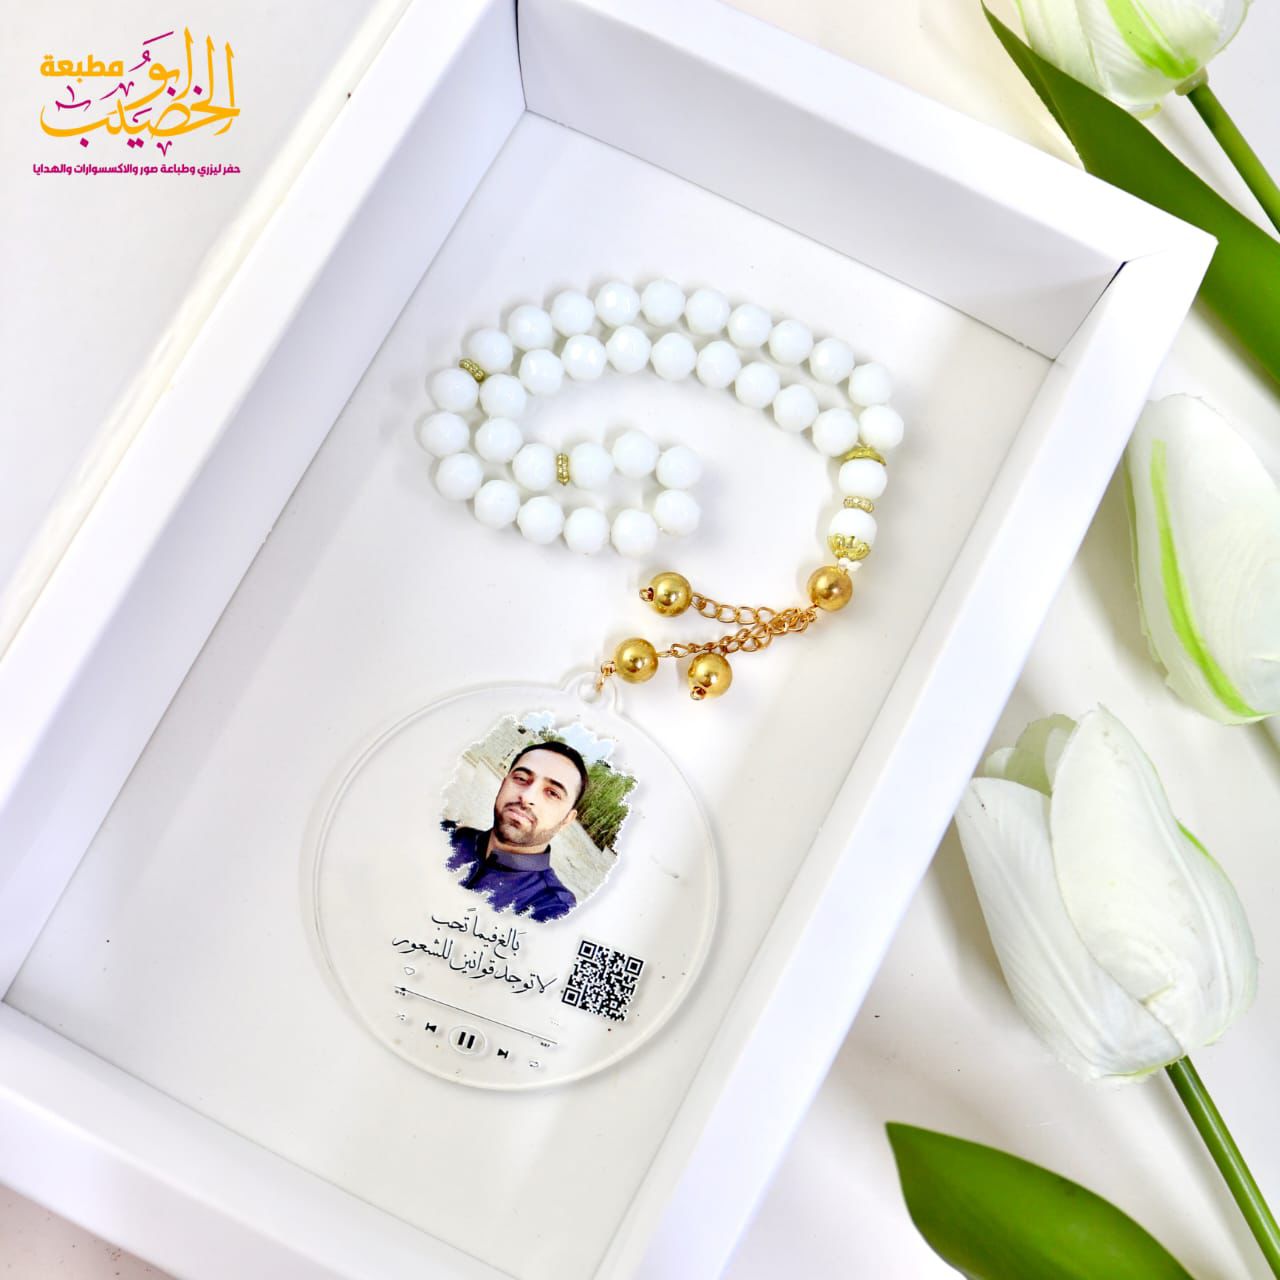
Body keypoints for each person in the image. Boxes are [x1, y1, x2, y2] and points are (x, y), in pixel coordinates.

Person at [442, 740, 588, 923]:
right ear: (503, 784)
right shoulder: (445, 835)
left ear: (567, 819)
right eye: (521, 779)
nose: (526, 797)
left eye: (552, 793)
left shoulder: (551, 908)